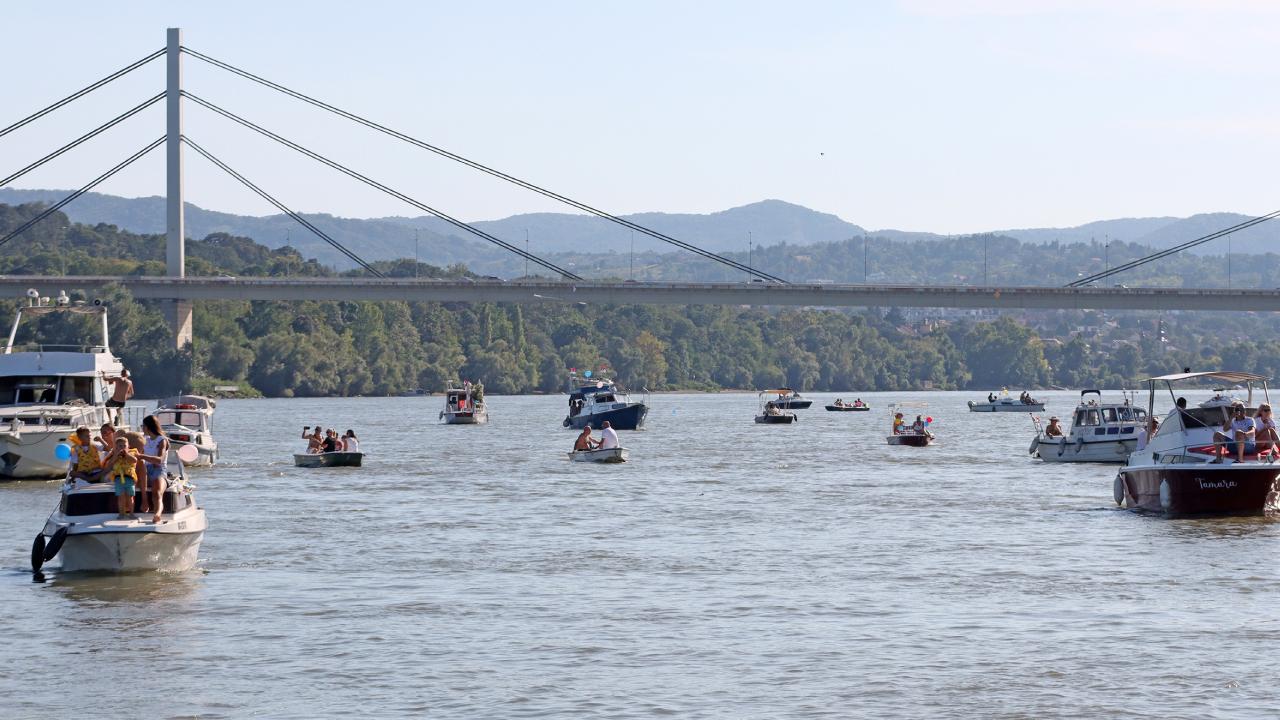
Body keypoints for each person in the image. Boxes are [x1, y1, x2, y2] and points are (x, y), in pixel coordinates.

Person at [138, 415, 169, 523]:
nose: (142, 428)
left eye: (142, 426)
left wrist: (142, 456)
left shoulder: (162, 440)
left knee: (157, 493)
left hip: (159, 470)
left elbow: (160, 460)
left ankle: (157, 514)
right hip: (144, 470)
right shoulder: (144, 440)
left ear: (147, 427)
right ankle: (143, 502)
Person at [101, 435, 140, 519]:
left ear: (128, 446)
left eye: (124, 446)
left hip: (129, 478)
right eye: (120, 446)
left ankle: (131, 513)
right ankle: (121, 513)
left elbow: (134, 460)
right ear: (116, 447)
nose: (122, 447)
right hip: (118, 479)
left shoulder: (131, 453)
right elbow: (110, 464)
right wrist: (116, 455)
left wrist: (126, 454)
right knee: (121, 497)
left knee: (130, 497)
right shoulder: (114, 455)